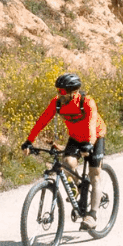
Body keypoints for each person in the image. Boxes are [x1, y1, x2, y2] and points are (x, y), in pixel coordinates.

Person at [21, 72, 105, 226]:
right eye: (58, 91)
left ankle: (92, 216)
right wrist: (29, 141)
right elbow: (42, 121)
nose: (59, 94)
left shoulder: (87, 102)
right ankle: (80, 187)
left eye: (63, 92)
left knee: (95, 176)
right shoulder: (57, 103)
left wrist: (90, 143)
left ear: (75, 92)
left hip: (95, 136)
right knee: (67, 163)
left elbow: (92, 124)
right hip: (75, 137)